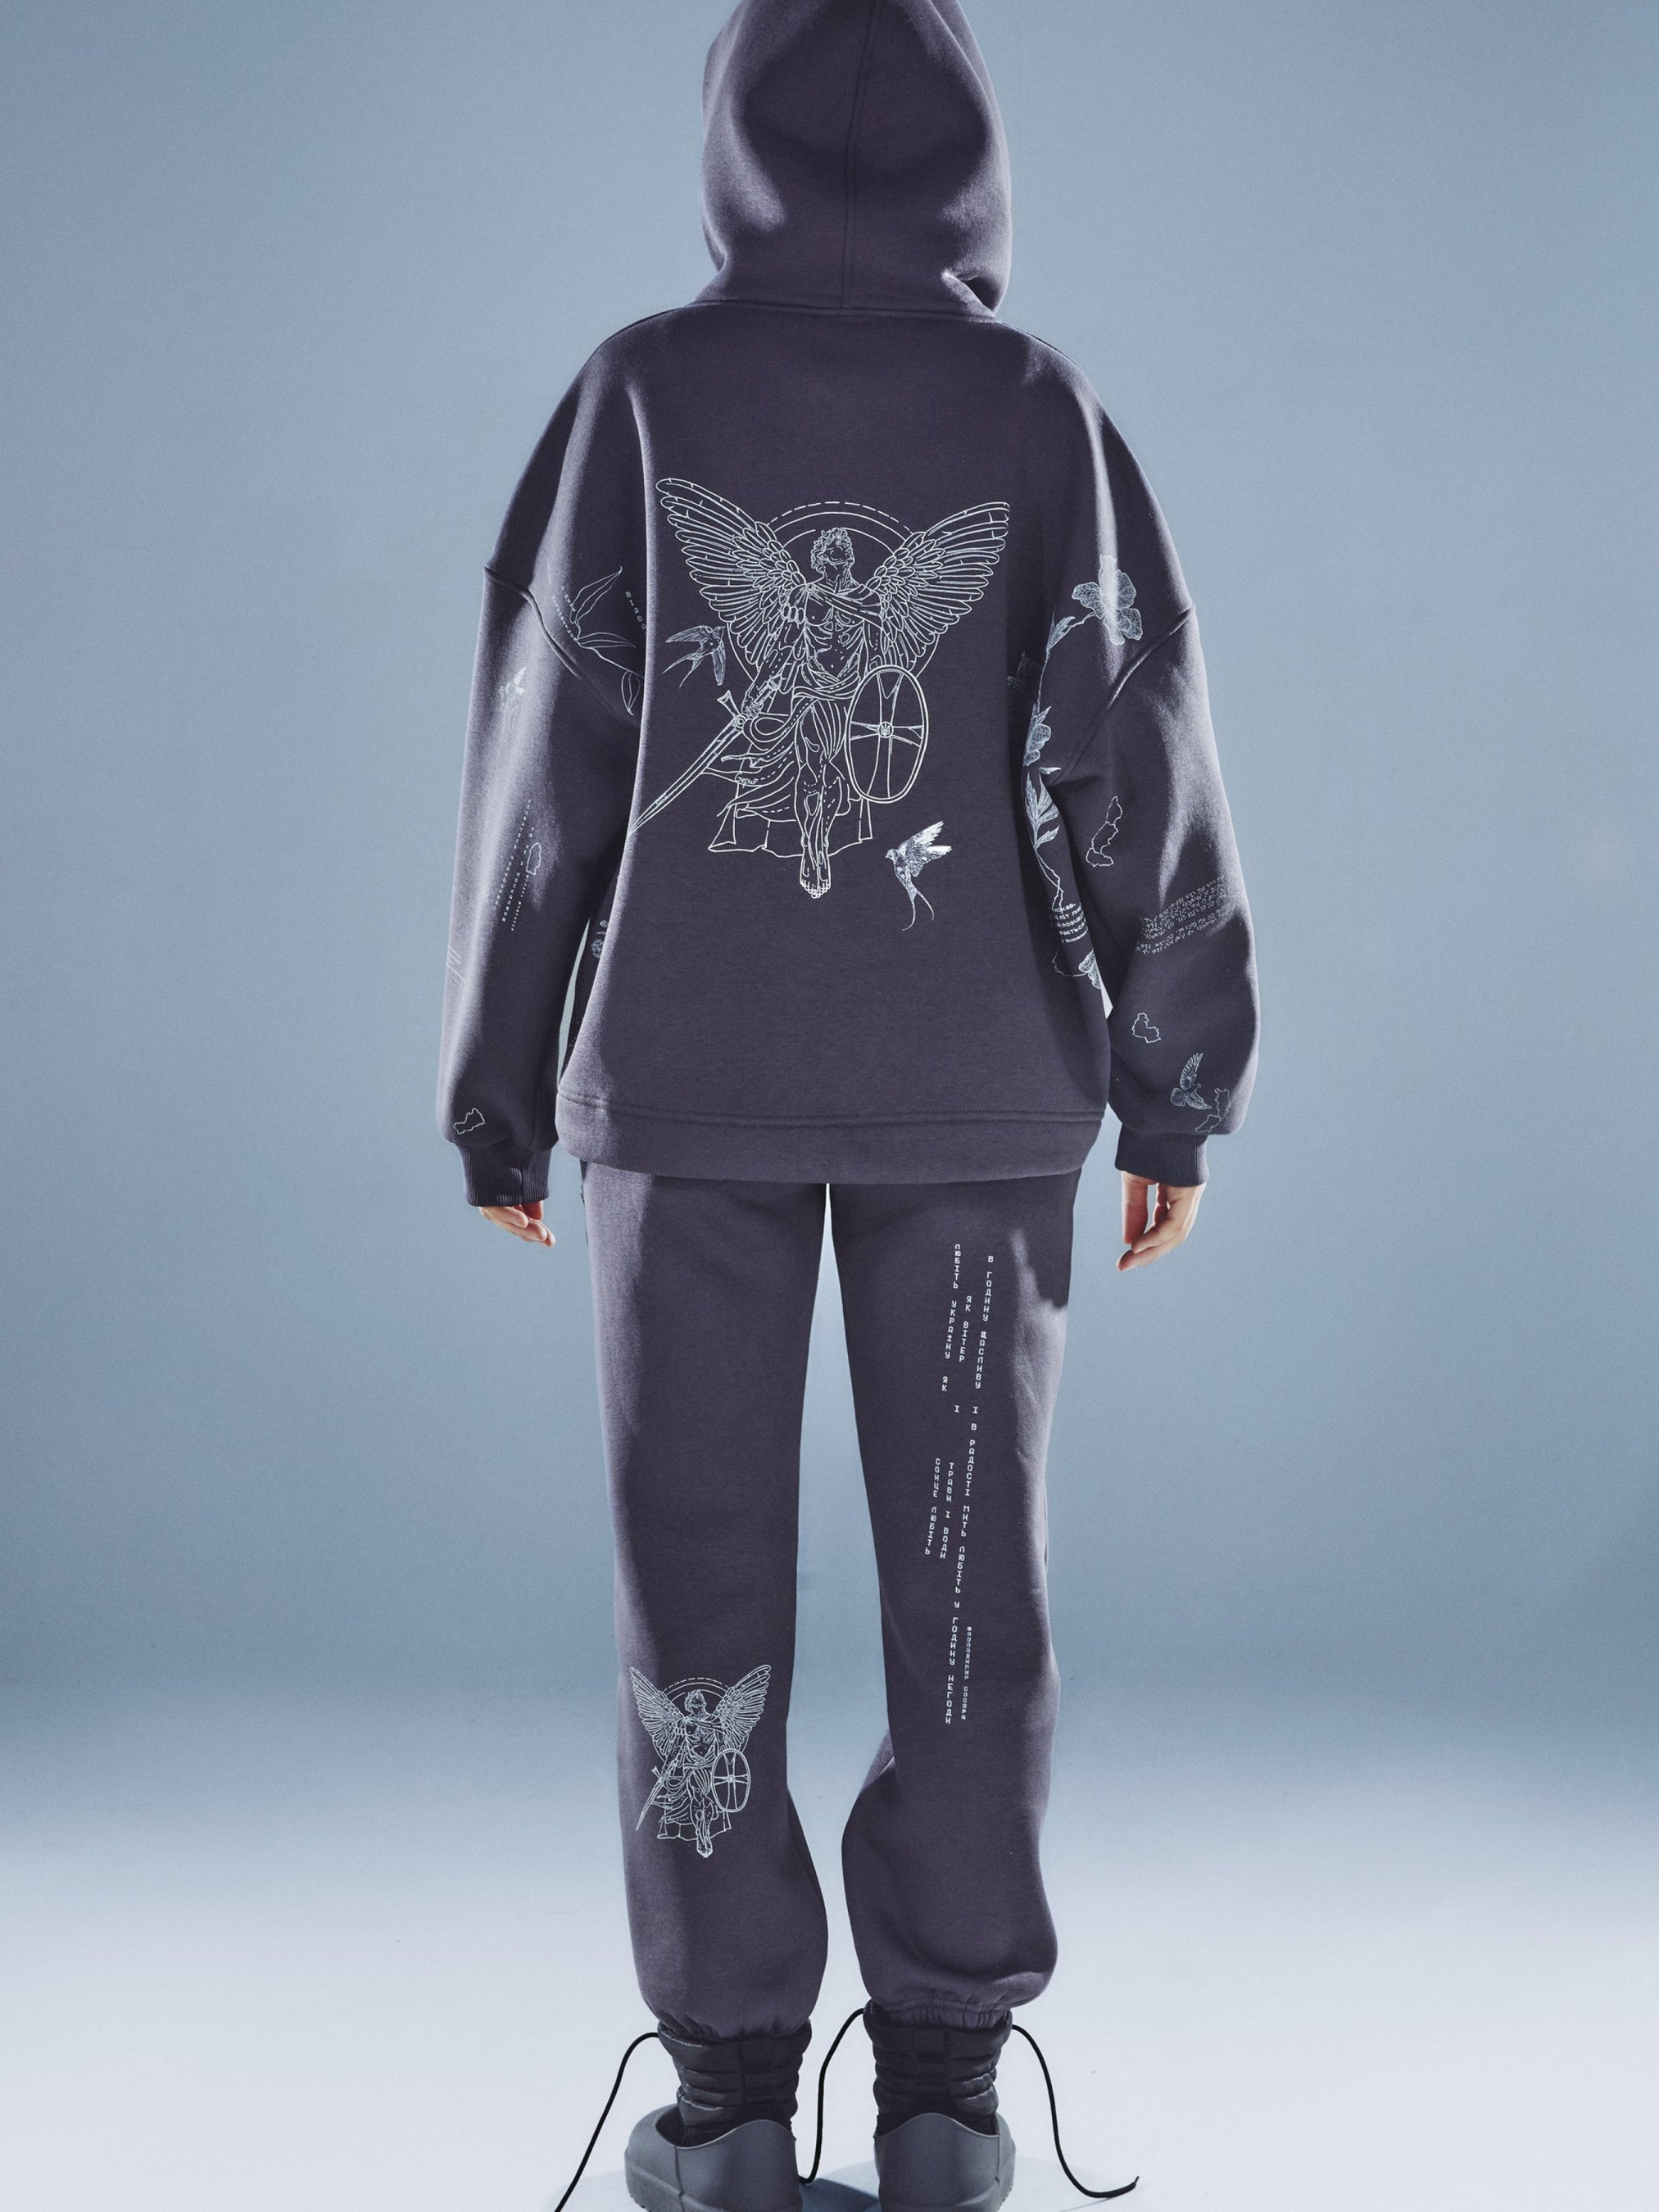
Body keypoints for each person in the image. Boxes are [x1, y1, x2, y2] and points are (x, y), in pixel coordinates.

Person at [437, 3, 1258, 2207]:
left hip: (682, 1088)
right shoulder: (1034, 409)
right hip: (979, 1096)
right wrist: (1174, 1083)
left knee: (690, 1588)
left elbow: (543, 751)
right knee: (970, 1599)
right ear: (976, 143)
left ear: (726, 134)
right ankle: (944, 2105)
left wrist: (500, 1082)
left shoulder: (638, 397)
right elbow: (1135, 737)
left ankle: (723, 2109)